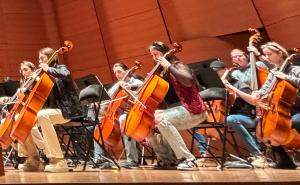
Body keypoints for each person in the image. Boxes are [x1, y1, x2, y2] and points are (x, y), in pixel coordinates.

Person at [229, 41, 300, 169]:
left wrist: (287, 77)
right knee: (260, 123)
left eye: (269, 54)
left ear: (279, 53)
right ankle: (285, 160)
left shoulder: (295, 69)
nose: (267, 58)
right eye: (265, 55)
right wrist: (258, 93)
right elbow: (265, 89)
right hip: (282, 108)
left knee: (295, 121)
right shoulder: (273, 72)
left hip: (297, 108)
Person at [17, 46, 85, 173]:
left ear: (51, 58)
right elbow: (40, 97)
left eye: (42, 58)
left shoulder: (61, 68)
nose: (39, 62)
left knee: (43, 115)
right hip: (51, 111)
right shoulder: (43, 75)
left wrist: (48, 69)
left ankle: (58, 160)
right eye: (39, 59)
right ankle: (34, 158)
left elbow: (65, 76)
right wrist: (25, 92)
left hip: (67, 110)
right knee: (21, 119)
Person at [144, 42, 208, 171]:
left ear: (164, 52)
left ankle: (187, 159)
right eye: (152, 55)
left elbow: (188, 81)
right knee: (147, 123)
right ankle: (167, 159)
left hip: (192, 110)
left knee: (160, 119)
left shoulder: (177, 66)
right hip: (175, 111)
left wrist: (168, 66)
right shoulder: (161, 74)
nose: (154, 58)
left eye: (156, 54)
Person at [222, 47, 274, 166]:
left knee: (259, 124)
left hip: (267, 106)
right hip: (250, 109)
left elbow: (273, 68)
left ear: (246, 55)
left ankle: (261, 151)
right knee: (231, 119)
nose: (238, 58)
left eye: (240, 55)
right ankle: (257, 153)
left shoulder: (259, 64)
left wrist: (257, 53)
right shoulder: (235, 73)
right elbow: (244, 92)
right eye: (235, 57)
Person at [91, 62, 143, 169]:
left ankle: (132, 159)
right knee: (98, 123)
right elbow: (107, 100)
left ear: (127, 71)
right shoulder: (117, 85)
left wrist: (129, 88)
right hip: (118, 114)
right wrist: (99, 104)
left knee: (124, 120)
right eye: (115, 73)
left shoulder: (136, 82)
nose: (118, 75)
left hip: (135, 113)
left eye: (119, 72)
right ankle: (98, 157)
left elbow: (142, 91)